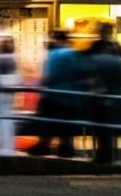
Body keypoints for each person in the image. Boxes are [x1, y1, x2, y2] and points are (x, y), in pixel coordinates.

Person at [27, 30, 81, 158]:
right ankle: (66, 149)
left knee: (46, 123)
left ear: (57, 39)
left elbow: (49, 76)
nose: (47, 41)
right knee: (67, 126)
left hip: (53, 95)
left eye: (50, 39)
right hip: (71, 96)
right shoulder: (74, 53)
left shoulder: (55, 54)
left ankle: (43, 146)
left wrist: (38, 83)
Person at [82, 23, 121, 165]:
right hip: (114, 96)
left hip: (99, 96)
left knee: (100, 129)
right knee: (109, 130)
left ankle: (102, 156)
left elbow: (88, 69)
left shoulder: (96, 48)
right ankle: (110, 155)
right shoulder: (117, 49)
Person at [0, 35, 18, 155]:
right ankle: (7, 147)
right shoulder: (12, 57)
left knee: (1, 119)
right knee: (7, 117)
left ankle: (2, 148)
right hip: (9, 89)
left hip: (1, 89)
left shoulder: (0, 58)